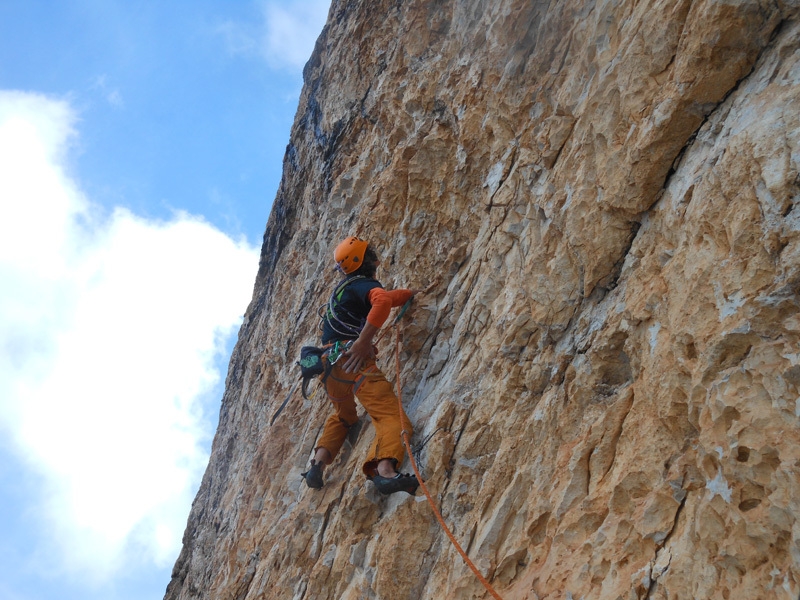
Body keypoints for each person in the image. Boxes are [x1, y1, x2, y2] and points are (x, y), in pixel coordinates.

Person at [302, 236, 421, 495]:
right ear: (365, 260)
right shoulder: (365, 284)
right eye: (371, 252)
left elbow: (387, 297)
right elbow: (382, 302)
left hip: (328, 366)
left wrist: (410, 294)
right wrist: (362, 343)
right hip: (353, 361)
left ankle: (317, 463)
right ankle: (385, 471)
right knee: (390, 416)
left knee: (344, 416)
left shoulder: (346, 289)